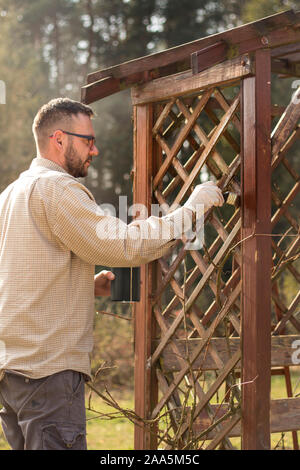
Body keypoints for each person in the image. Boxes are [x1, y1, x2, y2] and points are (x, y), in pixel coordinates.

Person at [0, 97, 223, 450]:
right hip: (48, 375)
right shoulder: (57, 190)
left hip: (13, 374)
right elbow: (124, 245)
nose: (96, 150)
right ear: (59, 139)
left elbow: (16, 279)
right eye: (88, 140)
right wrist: (190, 210)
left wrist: (84, 286)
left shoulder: (12, 194)